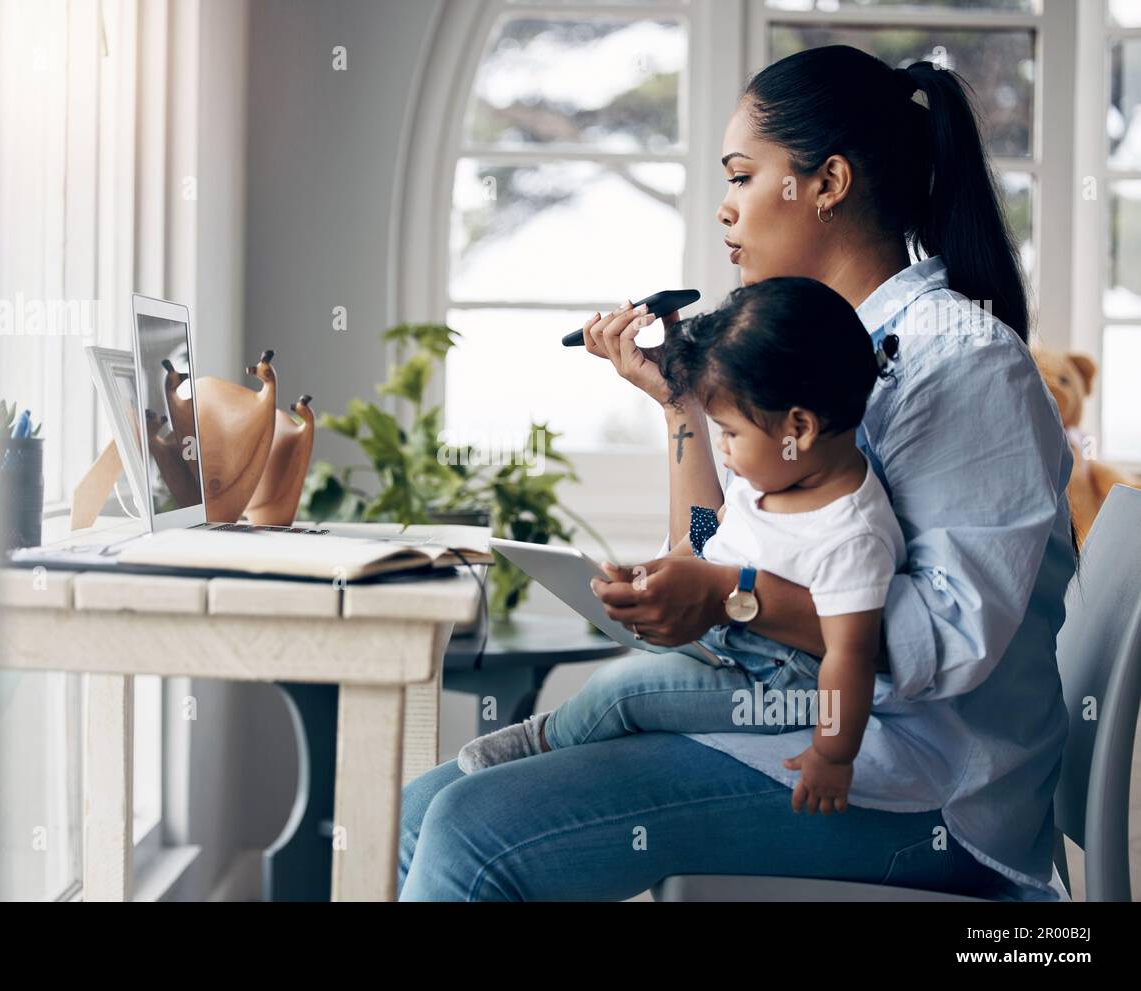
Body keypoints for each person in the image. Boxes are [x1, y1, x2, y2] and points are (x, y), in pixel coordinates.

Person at [398, 45, 1074, 902]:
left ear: (826, 183)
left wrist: (729, 598)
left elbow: (946, 641)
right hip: (796, 716)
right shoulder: (806, 357)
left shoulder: (964, 362)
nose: (723, 210)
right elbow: (714, 549)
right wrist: (681, 412)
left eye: (742, 176)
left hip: (927, 791)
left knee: (469, 831)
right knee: (424, 803)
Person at [457, 278, 906, 819]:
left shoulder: (851, 532)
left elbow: (851, 657)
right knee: (633, 655)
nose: (722, 448)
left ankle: (541, 743)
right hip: (733, 644)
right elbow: (705, 539)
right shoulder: (780, 477)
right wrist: (662, 573)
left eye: (730, 434)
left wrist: (833, 756)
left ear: (800, 428)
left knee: (623, 690)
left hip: (779, 680)